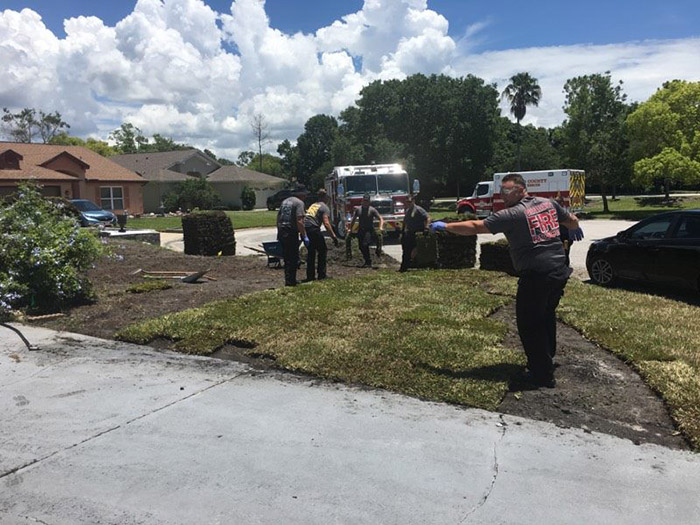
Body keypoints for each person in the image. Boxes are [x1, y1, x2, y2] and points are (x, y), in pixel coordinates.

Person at [430, 173, 584, 388]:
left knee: (529, 323)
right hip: (558, 270)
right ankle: (547, 358)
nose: (503, 195)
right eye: (501, 191)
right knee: (546, 315)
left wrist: (445, 227)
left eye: (508, 191)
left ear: (521, 190)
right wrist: (574, 228)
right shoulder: (547, 203)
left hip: (537, 274)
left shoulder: (512, 214)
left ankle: (541, 375)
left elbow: (476, 226)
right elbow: (571, 220)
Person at [276, 184, 309, 286]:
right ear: (300, 194)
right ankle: (291, 281)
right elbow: (300, 220)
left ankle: (288, 279)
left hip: (282, 230)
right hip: (291, 231)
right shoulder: (299, 203)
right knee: (293, 257)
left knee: (286, 257)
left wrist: (278, 231)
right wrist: (304, 236)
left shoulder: (285, 202)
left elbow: (278, 217)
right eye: (305, 194)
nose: (306, 196)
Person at [304, 189, 339, 281]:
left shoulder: (313, 205)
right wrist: (334, 236)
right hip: (313, 229)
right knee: (322, 251)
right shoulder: (324, 207)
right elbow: (326, 223)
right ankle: (321, 274)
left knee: (311, 252)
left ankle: (310, 276)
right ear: (325, 198)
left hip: (305, 228)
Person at [348, 193, 384, 268]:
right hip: (361, 230)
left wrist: (380, 227)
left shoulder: (372, 210)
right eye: (364, 200)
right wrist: (350, 229)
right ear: (362, 201)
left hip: (369, 230)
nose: (365, 202)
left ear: (369, 201)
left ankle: (369, 261)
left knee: (365, 244)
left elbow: (380, 218)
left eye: (367, 201)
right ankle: (367, 260)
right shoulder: (358, 209)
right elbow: (353, 220)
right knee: (360, 247)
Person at [399, 194, 430, 272]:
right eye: (407, 202)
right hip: (409, 233)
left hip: (417, 232)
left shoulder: (418, 209)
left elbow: (428, 218)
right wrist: (403, 230)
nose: (408, 203)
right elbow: (405, 221)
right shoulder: (407, 210)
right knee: (406, 250)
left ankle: (413, 265)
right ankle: (404, 268)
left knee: (414, 250)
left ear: (413, 201)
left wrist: (426, 228)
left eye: (410, 202)